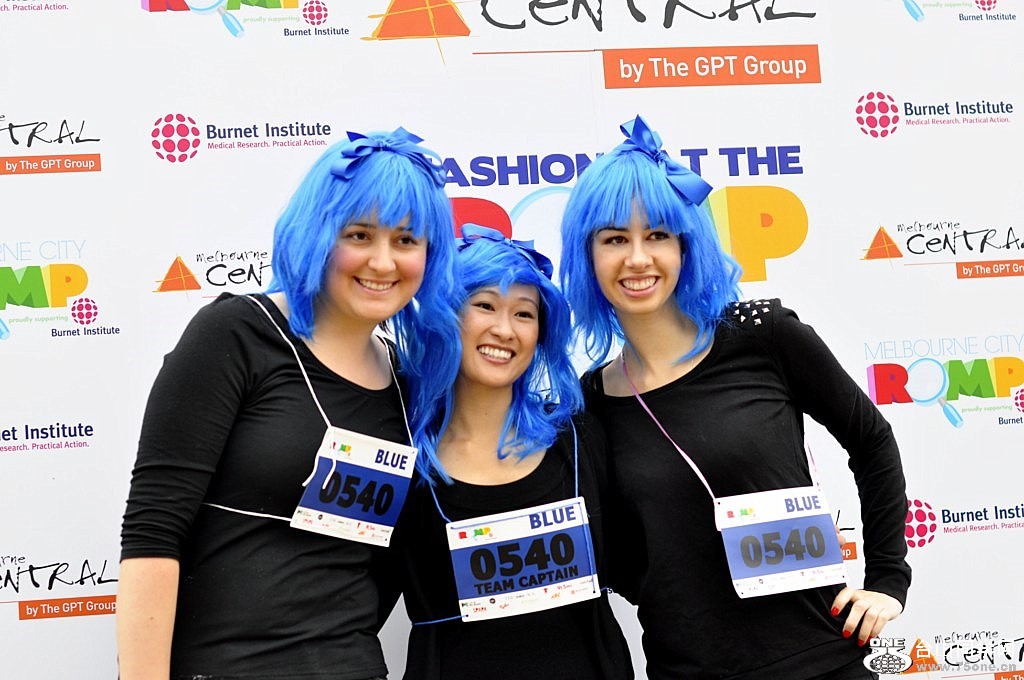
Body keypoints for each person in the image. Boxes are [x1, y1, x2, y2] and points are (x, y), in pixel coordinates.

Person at [559, 116, 910, 680]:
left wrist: (888, 580)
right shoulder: (592, 401)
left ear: (686, 245)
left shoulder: (763, 335)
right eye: (615, 239)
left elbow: (871, 441)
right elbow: (614, 553)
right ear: (588, 254)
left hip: (822, 655)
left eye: (657, 235)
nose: (638, 258)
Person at [117, 127, 457, 680]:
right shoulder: (237, 335)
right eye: (359, 234)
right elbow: (153, 532)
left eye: (406, 241)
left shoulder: (406, 382)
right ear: (318, 231)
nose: (382, 262)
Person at [382, 225, 633, 680]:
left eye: (524, 313)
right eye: (484, 306)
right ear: (444, 316)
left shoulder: (579, 438)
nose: (504, 330)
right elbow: (349, 600)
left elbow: (645, 564)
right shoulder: (402, 459)